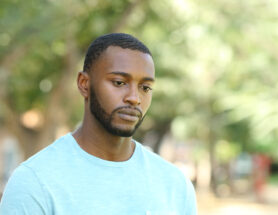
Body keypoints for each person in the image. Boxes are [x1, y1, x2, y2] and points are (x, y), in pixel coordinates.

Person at [0, 33, 197, 215]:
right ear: (84, 84)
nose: (134, 98)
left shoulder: (174, 185)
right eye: (119, 83)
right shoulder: (35, 182)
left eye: (145, 87)